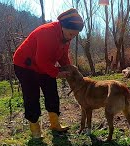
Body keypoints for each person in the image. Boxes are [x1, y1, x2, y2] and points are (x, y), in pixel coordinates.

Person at [13, 8, 84, 138]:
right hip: (25, 65)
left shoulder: (66, 37)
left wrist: (67, 68)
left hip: (43, 65)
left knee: (51, 92)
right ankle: (35, 129)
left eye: (75, 35)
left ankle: (55, 123)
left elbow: (62, 56)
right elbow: (41, 60)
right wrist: (56, 73)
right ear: (63, 26)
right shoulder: (47, 32)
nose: (72, 37)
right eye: (70, 34)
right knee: (32, 95)